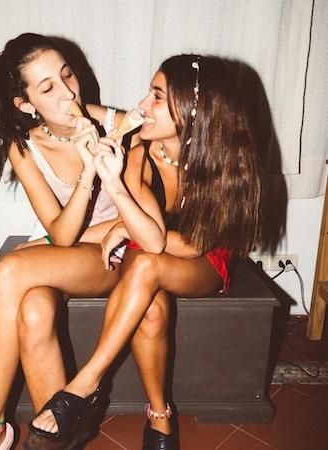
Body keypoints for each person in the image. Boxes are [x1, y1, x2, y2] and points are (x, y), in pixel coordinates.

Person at [28, 54, 262, 450]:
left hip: (204, 262)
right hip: (151, 261)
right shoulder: (139, 155)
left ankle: (84, 385)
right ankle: (159, 417)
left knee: (145, 263)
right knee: (150, 300)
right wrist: (113, 183)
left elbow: (194, 244)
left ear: (193, 110)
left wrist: (127, 227)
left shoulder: (228, 160)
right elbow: (151, 240)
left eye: (156, 96)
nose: (141, 105)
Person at [0, 33, 170, 450]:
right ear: (26, 105)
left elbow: (140, 220)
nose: (68, 93)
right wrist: (88, 171)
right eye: (48, 88)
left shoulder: (119, 126)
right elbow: (62, 233)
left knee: (9, 270)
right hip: (73, 253)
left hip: (121, 257)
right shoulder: (23, 147)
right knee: (34, 308)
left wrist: (50, 241)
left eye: (67, 75)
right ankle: (62, 435)